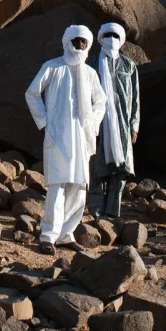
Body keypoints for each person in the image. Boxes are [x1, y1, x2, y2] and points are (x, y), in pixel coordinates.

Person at [24, 25, 107, 255]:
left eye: (83, 42)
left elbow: (101, 101)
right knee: (57, 186)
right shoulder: (52, 67)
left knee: (79, 187)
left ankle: (66, 235)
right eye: (75, 41)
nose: (79, 46)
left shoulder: (90, 73)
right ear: (67, 42)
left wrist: (92, 123)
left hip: (81, 137)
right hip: (57, 135)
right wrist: (44, 121)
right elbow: (32, 93)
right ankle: (48, 236)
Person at [88, 22, 140, 219]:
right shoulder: (92, 62)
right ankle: (95, 210)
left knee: (120, 169)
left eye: (115, 36)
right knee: (97, 167)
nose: (111, 39)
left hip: (122, 125)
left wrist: (134, 126)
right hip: (98, 122)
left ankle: (112, 212)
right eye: (107, 35)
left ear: (121, 39)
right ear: (101, 39)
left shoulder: (129, 65)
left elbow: (135, 98)